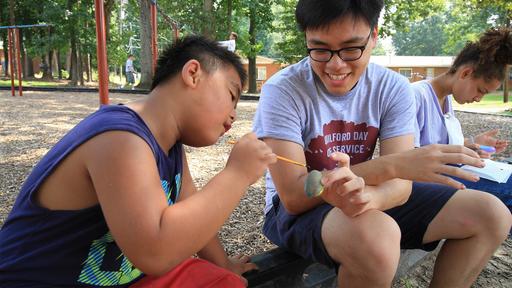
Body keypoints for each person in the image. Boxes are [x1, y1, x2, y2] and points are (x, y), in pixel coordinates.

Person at [252, 0, 512, 287]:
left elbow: (400, 186)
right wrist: (390, 166)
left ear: (374, 35)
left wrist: (375, 198)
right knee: (378, 238)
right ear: (306, 39)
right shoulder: (284, 89)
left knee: (491, 214)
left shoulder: (392, 88)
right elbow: (292, 195)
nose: (335, 64)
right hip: (294, 210)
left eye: (351, 48)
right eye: (320, 48)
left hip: (361, 190)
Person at [0, 36, 276, 287]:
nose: (233, 116)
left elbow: (190, 206)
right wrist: (237, 175)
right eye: (231, 96)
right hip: (33, 280)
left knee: (225, 282)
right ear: (193, 73)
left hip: (124, 279)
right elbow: (155, 253)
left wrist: (224, 264)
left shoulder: (171, 147)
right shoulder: (119, 136)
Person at [413, 27, 512, 212]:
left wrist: (473, 144)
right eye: (481, 90)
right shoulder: (416, 96)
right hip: (424, 182)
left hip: (447, 172)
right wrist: (464, 152)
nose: (478, 99)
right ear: (465, 73)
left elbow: (437, 143)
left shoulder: (446, 99)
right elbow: (408, 158)